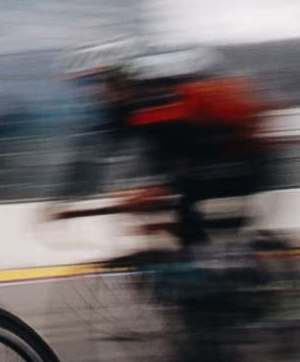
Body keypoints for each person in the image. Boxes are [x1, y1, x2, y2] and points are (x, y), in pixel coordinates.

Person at [59, 42, 277, 247]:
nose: (88, 93)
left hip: (235, 163)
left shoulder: (153, 100)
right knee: (185, 226)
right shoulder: (128, 108)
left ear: (115, 80)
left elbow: (175, 148)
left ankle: (225, 273)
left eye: (91, 83)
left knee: (191, 228)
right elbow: (91, 154)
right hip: (224, 164)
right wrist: (65, 201)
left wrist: (154, 187)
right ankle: (214, 266)